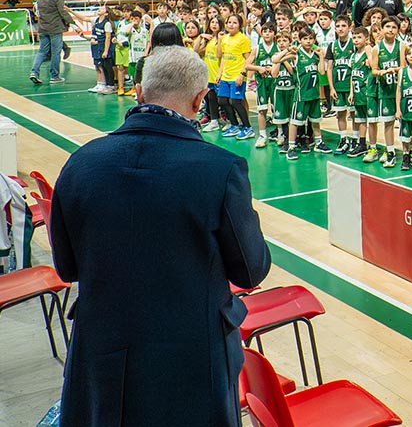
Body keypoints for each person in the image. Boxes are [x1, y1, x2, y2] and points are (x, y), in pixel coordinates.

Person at [49, 46, 272, 427]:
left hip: (102, 352)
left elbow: (67, 267)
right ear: (200, 99)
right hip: (193, 361)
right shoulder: (222, 170)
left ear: (138, 92)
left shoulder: (80, 162)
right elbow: (250, 272)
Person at [30, 0, 84, 84]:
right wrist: (74, 25)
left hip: (42, 28)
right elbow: (63, 13)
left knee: (42, 51)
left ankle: (34, 72)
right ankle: (54, 76)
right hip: (54, 29)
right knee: (56, 52)